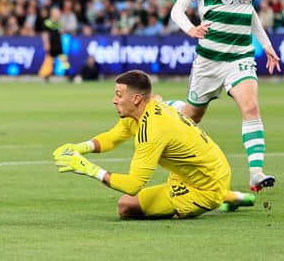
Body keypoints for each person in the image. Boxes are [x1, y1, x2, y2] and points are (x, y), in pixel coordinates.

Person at [169, 0, 281, 192]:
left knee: (251, 107)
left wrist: (265, 43)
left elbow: (249, 11)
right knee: (191, 115)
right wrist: (191, 29)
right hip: (209, 60)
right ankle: (166, 107)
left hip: (240, 56)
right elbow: (177, 10)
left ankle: (256, 172)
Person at [53, 70, 255, 220]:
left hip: (204, 185)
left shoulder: (151, 130)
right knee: (170, 187)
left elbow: (133, 185)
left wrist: (89, 169)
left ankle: (217, 197)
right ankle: (235, 196)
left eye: (119, 95)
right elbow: (113, 137)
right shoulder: (145, 107)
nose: (114, 100)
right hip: (204, 168)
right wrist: (79, 148)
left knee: (126, 207)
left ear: (136, 98)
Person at [38, 7, 70, 81]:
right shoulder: (47, 23)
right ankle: (45, 75)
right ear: (53, 14)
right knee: (49, 60)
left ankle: (68, 74)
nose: (58, 15)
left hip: (58, 45)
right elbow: (44, 34)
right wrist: (46, 43)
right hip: (51, 45)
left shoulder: (59, 24)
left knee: (64, 60)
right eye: (57, 14)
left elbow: (62, 34)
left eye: (59, 14)